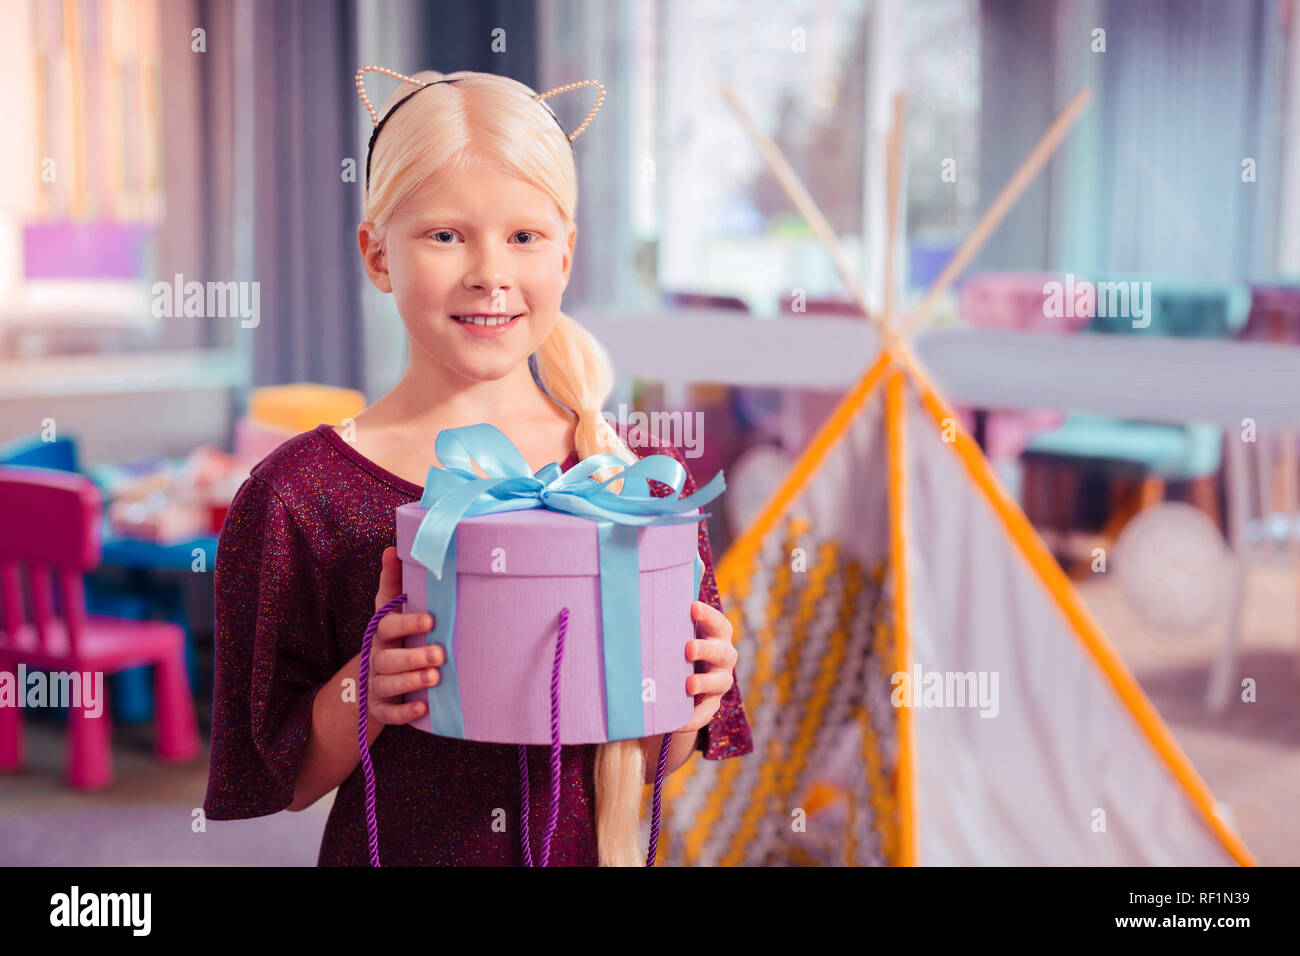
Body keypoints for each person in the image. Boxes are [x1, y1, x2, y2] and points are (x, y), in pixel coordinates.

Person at [202, 66, 753, 865]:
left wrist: (691, 700)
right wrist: (367, 689)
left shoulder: (639, 485)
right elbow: (277, 779)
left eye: (524, 236)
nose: (490, 272)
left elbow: (646, 765)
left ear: (565, 256)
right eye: (446, 234)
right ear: (378, 254)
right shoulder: (300, 496)